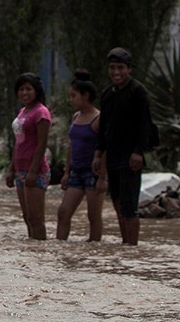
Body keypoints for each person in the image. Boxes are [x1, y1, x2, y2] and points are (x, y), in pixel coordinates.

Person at [95, 47, 157, 246]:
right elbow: (104, 127)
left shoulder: (138, 92)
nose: (116, 72)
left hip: (130, 158)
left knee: (129, 207)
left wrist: (138, 152)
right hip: (112, 156)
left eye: (120, 68)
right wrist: (98, 154)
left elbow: (145, 125)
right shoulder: (107, 94)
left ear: (129, 69)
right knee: (117, 203)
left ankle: (132, 247)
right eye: (112, 68)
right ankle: (125, 244)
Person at [56, 71, 106, 242]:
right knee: (63, 212)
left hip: (93, 173)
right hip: (76, 172)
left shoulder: (99, 118)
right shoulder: (76, 117)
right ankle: (60, 246)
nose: (71, 100)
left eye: (74, 96)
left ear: (86, 95)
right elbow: (72, 145)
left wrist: (103, 177)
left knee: (93, 216)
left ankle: (93, 250)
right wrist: (66, 172)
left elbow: (104, 148)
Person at [6, 72, 51, 241]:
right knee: (27, 218)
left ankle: (40, 252)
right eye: (21, 89)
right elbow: (18, 144)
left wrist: (33, 172)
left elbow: (41, 145)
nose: (24, 93)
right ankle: (33, 253)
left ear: (36, 91)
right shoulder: (23, 111)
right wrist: (11, 170)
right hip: (20, 170)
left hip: (35, 171)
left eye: (28, 89)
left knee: (36, 219)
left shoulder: (41, 113)